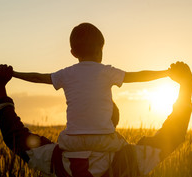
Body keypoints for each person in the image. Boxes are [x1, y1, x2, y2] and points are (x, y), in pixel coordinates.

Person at [0, 61, 192, 177]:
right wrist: (186, 87)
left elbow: (15, 136)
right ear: (113, 122)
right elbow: (173, 135)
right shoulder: (130, 160)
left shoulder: (54, 159)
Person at [10, 23, 180, 157]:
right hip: (104, 139)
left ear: (73, 52)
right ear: (100, 49)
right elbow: (138, 76)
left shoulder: (66, 74)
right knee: (127, 153)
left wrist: (14, 73)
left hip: (71, 141)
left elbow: (39, 77)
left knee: (58, 148)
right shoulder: (106, 71)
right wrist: (166, 73)